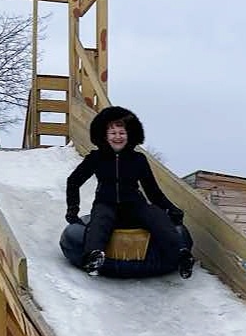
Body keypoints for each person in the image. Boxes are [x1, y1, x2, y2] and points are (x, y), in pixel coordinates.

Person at [65, 106, 194, 278]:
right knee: (100, 220)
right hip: (106, 203)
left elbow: (152, 191)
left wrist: (171, 208)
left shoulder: (138, 159)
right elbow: (73, 181)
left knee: (156, 216)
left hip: (134, 204)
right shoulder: (96, 158)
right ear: (104, 135)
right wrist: (72, 209)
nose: (117, 137)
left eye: (122, 133)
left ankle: (181, 255)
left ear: (130, 134)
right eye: (113, 133)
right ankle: (94, 256)